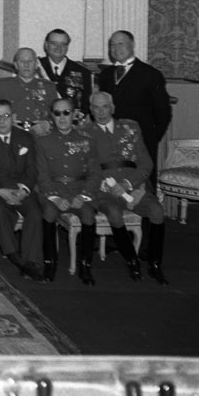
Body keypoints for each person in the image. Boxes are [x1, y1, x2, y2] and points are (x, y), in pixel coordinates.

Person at [87, 91, 169, 284]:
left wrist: (128, 183)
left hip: (133, 186)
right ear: (90, 110)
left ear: (112, 108)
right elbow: (86, 168)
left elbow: (146, 163)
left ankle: (155, 264)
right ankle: (132, 260)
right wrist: (104, 185)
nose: (101, 112)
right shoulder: (84, 133)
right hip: (104, 190)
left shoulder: (130, 127)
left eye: (105, 106)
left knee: (157, 212)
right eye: (96, 108)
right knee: (114, 214)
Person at [0, 100, 44, 280]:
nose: (2, 121)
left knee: (35, 213)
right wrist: (1, 191)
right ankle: (16, 258)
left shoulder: (25, 137)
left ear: (13, 117)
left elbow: (32, 169)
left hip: (21, 188)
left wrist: (24, 190)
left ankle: (32, 261)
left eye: (6, 116)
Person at [35, 97, 100, 284]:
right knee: (48, 212)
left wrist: (84, 195)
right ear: (51, 116)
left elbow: (95, 174)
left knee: (88, 215)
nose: (62, 117)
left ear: (74, 115)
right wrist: (54, 198)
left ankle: (85, 265)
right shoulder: (43, 142)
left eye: (66, 113)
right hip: (53, 190)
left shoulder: (87, 141)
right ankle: (50, 263)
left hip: (79, 189)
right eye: (57, 113)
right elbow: (42, 174)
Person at [97, 30, 172, 186]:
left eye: (121, 43)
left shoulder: (151, 74)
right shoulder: (105, 75)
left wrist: (149, 138)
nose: (116, 48)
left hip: (140, 142)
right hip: (110, 142)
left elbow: (164, 112)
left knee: (141, 189)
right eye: (112, 45)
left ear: (132, 45)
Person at [0, 47, 58, 129]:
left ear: (36, 64)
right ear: (16, 65)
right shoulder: (2, 85)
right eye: (22, 61)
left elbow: (57, 114)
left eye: (30, 61)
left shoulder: (49, 87)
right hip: (12, 134)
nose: (26, 65)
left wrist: (47, 124)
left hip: (40, 135)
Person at [38, 27, 93, 116]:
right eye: (53, 43)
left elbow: (86, 104)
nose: (58, 47)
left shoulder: (82, 72)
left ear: (67, 47)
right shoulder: (35, 68)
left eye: (63, 44)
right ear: (46, 45)